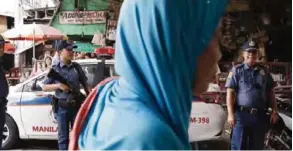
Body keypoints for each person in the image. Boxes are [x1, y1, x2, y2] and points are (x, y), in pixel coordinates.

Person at [68, 0, 228, 150]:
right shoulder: (150, 140)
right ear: (174, 41)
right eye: (212, 36)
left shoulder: (111, 96)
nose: (218, 54)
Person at [225, 40, 278, 150]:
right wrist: (230, 114)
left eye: (254, 52)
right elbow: (230, 93)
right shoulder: (237, 71)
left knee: (257, 147)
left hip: (259, 116)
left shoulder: (264, 72)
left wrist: (274, 110)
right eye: (249, 52)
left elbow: (270, 92)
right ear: (243, 54)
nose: (251, 55)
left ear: (257, 54)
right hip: (241, 115)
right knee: (239, 146)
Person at [42, 40, 89, 150]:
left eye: (72, 50)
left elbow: (86, 85)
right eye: (68, 50)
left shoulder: (76, 67)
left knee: (78, 136)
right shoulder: (55, 69)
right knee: (63, 138)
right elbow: (44, 87)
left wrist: (90, 98)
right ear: (59, 52)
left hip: (76, 106)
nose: (72, 52)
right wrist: (58, 86)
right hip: (62, 108)